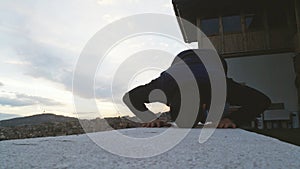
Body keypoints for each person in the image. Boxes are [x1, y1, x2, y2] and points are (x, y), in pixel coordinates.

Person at [123, 49, 271, 128]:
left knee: (219, 110)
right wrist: (150, 119)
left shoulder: (221, 86)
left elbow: (262, 101)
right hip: (183, 59)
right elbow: (129, 97)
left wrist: (232, 119)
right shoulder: (164, 86)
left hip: (215, 60)